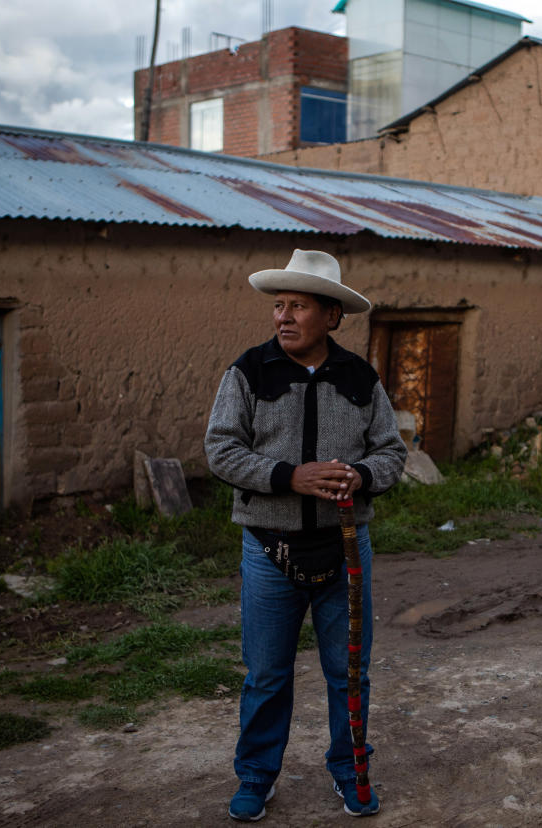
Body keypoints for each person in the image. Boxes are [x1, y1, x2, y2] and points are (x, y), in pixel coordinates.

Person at [205, 249, 407, 821]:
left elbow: (391, 453)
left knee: (349, 672)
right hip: (271, 550)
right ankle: (257, 775)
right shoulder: (249, 372)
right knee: (268, 674)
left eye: (298, 306)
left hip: (345, 551)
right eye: (279, 305)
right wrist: (289, 478)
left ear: (332, 316)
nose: (284, 317)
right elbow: (220, 450)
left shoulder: (360, 379)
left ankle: (350, 770)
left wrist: (362, 475)